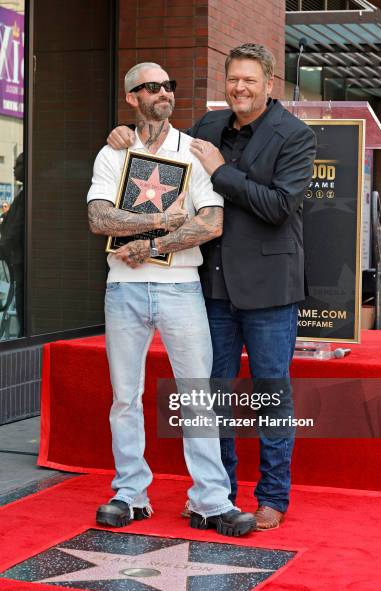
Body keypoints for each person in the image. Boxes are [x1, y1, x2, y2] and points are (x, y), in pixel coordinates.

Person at [107, 43, 316, 530]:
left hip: (269, 290)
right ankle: (217, 495)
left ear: (270, 84)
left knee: (269, 396)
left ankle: (272, 496)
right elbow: (158, 145)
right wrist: (125, 133)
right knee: (210, 395)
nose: (239, 88)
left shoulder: (295, 135)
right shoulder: (206, 127)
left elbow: (280, 207)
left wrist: (222, 171)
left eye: (249, 79)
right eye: (233, 79)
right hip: (214, 289)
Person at [87, 61, 256, 537]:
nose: (164, 92)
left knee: (198, 395)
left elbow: (210, 223)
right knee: (124, 396)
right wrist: (162, 221)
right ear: (132, 97)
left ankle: (210, 500)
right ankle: (129, 493)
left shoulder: (194, 151)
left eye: (169, 84)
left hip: (181, 285)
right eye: (152, 86)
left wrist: (152, 245)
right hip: (123, 287)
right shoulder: (112, 152)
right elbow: (99, 218)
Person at [0, 154, 25, 336]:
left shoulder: (25, 197)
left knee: (22, 299)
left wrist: (3, 248)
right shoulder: (23, 195)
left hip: (21, 260)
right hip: (17, 259)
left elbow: (13, 231)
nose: (13, 168)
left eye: (17, 165)